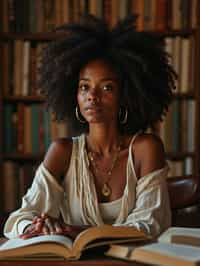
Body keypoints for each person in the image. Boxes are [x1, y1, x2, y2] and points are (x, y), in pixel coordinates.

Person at [4, 15, 176, 240]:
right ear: (73, 94)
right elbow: (19, 218)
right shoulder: (63, 152)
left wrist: (79, 232)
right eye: (84, 87)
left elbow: (150, 224)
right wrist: (34, 227)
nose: (92, 97)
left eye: (107, 88)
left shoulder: (145, 148)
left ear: (127, 94)